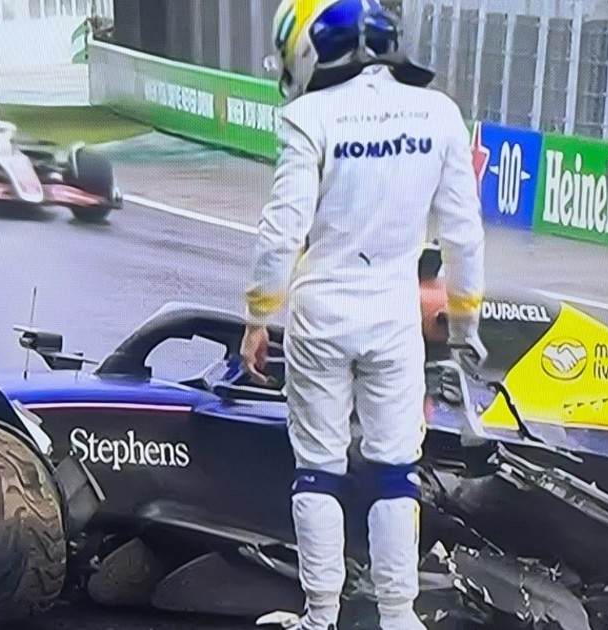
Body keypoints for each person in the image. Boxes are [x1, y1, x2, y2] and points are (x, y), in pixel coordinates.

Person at [239, 1, 486, 628]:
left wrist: (259, 317)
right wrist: (463, 325)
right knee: (396, 471)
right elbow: (463, 234)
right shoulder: (440, 114)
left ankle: (320, 617)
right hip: (394, 317)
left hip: (320, 315)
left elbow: (280, 233)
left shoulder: (307, 116)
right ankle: (398, 616)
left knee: (318, 469)